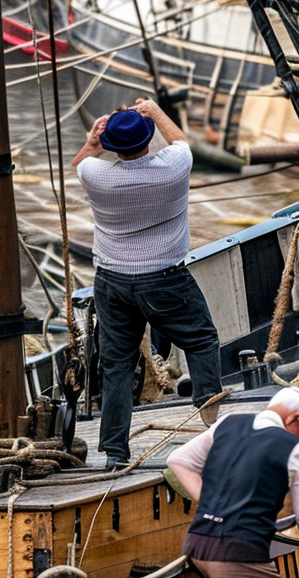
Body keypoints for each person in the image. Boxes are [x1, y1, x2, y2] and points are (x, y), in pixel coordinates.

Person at [73, 98, 222, 470]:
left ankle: (115, 453)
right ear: (149, 136)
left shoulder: (96, 174)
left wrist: (94, 141)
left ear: (111, 145)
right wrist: (154, 111)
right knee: (202, 340)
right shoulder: (174, 167)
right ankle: (209, 417)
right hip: (164, 279)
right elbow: (181, 140)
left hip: (112, 282)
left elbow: (81, 163)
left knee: (116, 365)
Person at [166, 387, 299, 578]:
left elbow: (178, 460)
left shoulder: (228, 422)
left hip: (197, 545)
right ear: (293, 418)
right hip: (236, 555)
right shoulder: (293, 448)